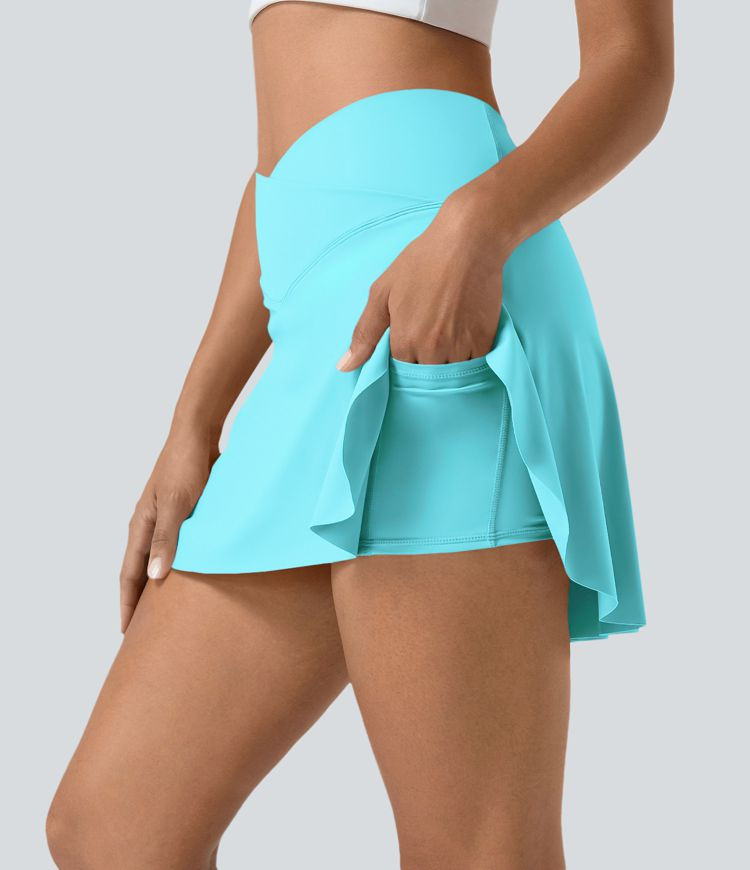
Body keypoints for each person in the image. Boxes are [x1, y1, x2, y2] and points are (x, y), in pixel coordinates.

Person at [47, 2, 674, 868]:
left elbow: (635, 64)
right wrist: (195, 417)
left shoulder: (460, 244)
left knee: (472, 852)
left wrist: (474, 229)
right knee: (112, 830)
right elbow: (284, 156)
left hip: (445, 293)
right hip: (314, 303)